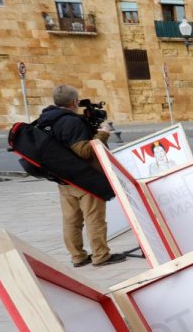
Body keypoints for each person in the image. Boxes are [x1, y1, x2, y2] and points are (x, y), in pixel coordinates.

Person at [34, 84, 127, 267]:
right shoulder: (71, 122)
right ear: (75, 102)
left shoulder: (45, 120)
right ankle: (101, 256)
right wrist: (102, 134)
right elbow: (84, 151)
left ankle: (77, 257)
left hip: (63, 179)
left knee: (71, 221)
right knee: (94, 219)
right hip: (84, 178)